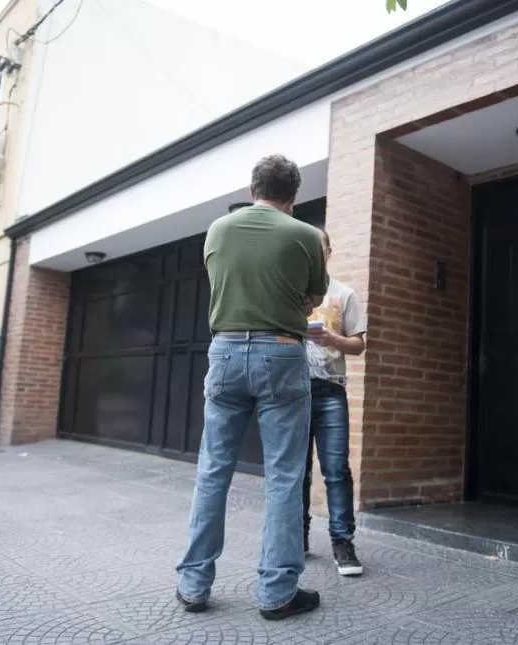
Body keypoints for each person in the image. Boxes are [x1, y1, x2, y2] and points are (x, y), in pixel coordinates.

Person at [176, 154, 328, 621]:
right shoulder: (306, 235)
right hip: (282, 350)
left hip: (223, 351)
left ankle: (194, 584)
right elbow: (314, 296)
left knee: (213, 469)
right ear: (294, 195)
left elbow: (223, 280)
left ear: (251, 188)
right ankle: (278, 593)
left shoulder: (218, 230)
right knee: (283, 475)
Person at [301, 230, 367, 576]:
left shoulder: (344, 294)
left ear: (328, 251)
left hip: (330, 392)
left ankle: (343, 543)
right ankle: (297, 539)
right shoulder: (288, 290)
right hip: (293, 394)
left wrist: (331, 338)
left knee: (337, 470)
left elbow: (358, 345)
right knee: (295, 472)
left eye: (319, 246)